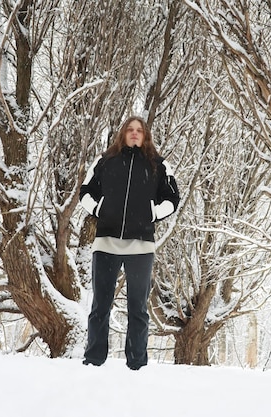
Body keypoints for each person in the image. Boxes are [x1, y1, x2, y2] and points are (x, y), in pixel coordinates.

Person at [79, 116, 180, 370]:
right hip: (106, 243)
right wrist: (99, 209)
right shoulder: (105, 161)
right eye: (130, 130)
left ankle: (136, 364)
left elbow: (173, 198)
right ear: (122, 133)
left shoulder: (158, 165)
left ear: (145, 135)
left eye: (139, 130)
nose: (135, 133)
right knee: (100, 306)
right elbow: (85, 193)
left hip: (141, 245)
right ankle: (93, 361)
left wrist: (154, 213)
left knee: (138, 309)